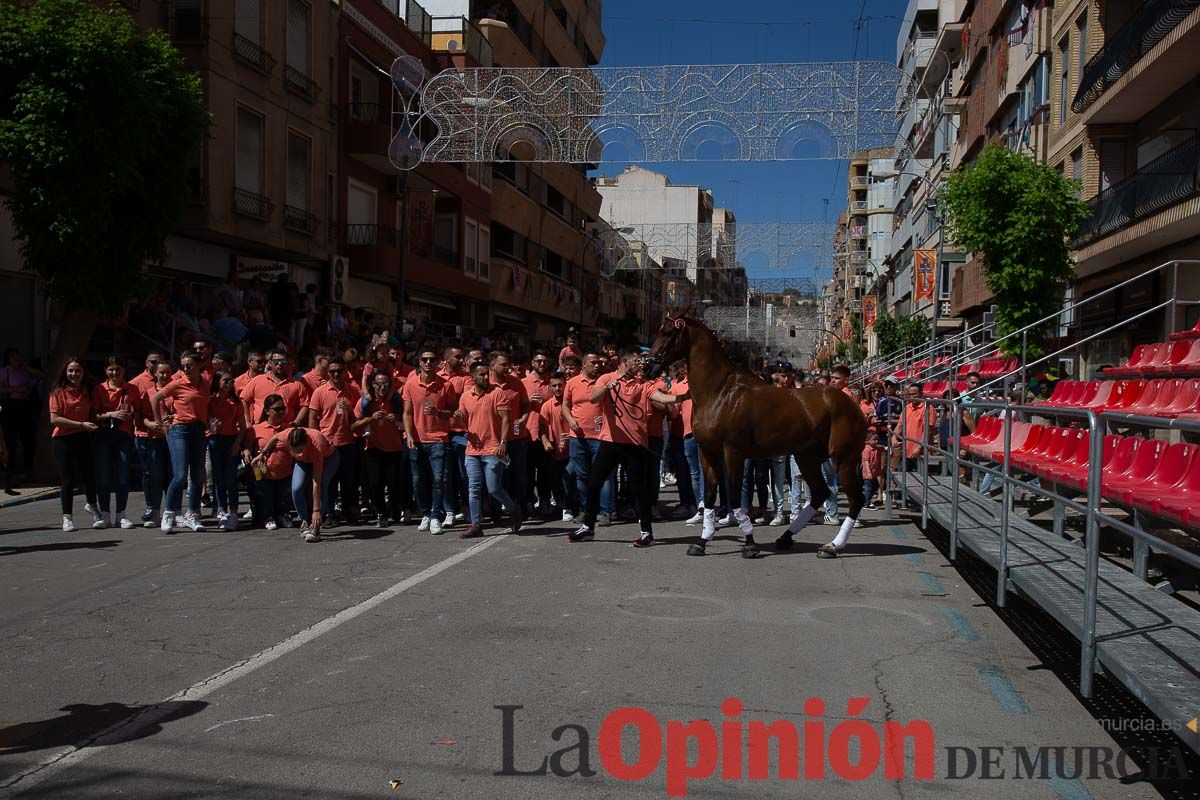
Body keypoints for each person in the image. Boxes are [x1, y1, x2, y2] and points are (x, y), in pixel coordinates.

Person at [568, 351, 687, 547]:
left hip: (635, 443)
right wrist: (608, 387)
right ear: (624, 362)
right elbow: (594, 399)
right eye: (636, 362)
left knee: (639, 490)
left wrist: (683, 397)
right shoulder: (607, 378)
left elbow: (660, 398)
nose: (640, 366)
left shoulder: (643, 384)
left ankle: (646, 532)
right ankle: (588, 527)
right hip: (610, 441)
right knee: (594, 483)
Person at [454, 361, 518, 538]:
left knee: (493, 489)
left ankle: (513, 509)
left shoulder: (497, 393)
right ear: (473, 376)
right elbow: (462, 422)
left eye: (486, 374)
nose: (484, 377)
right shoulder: (465, 397)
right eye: (480, 374)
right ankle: (475, 525)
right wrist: (458, 418)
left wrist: (503, 443)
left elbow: (506, 419)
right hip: (473, 450)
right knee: (473, 488)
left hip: (493, 449)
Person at [152, 350, 211, 532]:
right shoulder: (177, 383)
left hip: (199, 430)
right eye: (183, 365)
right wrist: (160, 423)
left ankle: (193, 514)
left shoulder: (205, 383)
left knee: (198, 475)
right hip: (180, 430)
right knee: (179, 475)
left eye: (189, 365)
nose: (185, 368)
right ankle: (169, 513)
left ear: (198, 365)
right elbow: (156, 398)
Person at [402, 348, 455, 534]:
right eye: (424, 359)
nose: (428, 362)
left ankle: (434, 516)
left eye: (432, 359)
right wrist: (409, 435)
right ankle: (424, 513)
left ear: (438, 362)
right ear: (419, 362)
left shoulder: (446, 385)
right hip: (416, 439)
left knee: (438, 479)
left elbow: (453, 411)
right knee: (417, 480)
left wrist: (438, 413)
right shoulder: (410, 384)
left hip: (438, 438)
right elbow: (407, 413)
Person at [307, 356, 362, 525]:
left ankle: (348, 511)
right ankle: (328, 513)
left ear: (345, 371)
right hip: (328, 444)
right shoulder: (320, 392)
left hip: (348, 443)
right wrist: (316, 441)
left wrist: (351, 410)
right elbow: (313, 418)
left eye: (339, 371)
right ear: (328, 372)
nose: (336, 374)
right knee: (328, 482)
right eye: (332, 371)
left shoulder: (353, 391)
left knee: (348, 481)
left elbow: (358, 417)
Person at [562, 352, 615, 526]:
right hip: (578, 437)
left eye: (599, 362)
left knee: (604, 475)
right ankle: (586, 510)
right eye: (593, 362)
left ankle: (606, 511)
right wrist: (570, 421)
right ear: (584, 365)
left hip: (601, 437)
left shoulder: (604, 381)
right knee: (582, 475)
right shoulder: (572, 382)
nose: (598, 365)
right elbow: (565, 406)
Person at [48, 356, 98, 531]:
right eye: (70, 370)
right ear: (65, 372)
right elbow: (55, 419)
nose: (74, 374)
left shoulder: (87, 390)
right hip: (62, 439)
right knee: (67, 479)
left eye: (78, 370)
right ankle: (67, 517)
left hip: (83, 437)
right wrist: (80, 424)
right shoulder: (58, 392)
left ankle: (92, 506)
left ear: (83, 372)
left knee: (89, 475)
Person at [91, 356, 140, 529]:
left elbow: (139, 412)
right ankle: (105, 514)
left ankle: (121, 514)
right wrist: (111, 414)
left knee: (123, 476)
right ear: (106, 371)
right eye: (111, 369)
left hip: (124, 435)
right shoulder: (99, 389)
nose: (114, 372)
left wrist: (131, 415)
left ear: (124, 370)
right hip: (103, 435)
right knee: (103, 477)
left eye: (118, 369)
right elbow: (93, 415)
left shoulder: (132, 389)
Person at [355, 372, 408, 527]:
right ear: (373, 385)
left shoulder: (397, 401)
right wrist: (371, 418)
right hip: (373, 448)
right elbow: (353, 426)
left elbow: (409, 422)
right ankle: (381, 513)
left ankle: (396, 510)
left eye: (385, 384)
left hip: (394, 448)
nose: (382, 387)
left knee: (394, 483)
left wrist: (397, 418)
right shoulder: (366, 403)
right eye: (379, 384)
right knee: (375, 483)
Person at [278, 427, 339, 542]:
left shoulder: (317, 446)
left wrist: (316, 511)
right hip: (304, 462)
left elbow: (316, 482)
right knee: (296, 488)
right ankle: (304, 521)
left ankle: (316, 527)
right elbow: (274, 438)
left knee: (322, 483)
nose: (298, 454)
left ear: (306, 443)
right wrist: (263, 453)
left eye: (300, 450)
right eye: (294, 450)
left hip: (328, 458)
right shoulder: (286, 435)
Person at [490, 352, 532, 517]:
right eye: (503, 365)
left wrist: (523, 418)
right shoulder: (486, 384)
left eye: (508, 364)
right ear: (493, 366)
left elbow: (526, 405)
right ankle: (496, 512)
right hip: (494, 440)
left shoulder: (516, 383)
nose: (507, 368)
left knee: (519, 477)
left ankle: (522, 509)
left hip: (516, 438)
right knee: (496, 478)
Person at [245, 394, 293, 530]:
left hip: (284, 472)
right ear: (267, 411)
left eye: (283, 409)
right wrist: (247, 452)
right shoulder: (256, 429)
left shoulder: (288, 428)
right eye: (277, 409)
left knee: (283, 496)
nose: (281, 412)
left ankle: (282, 515)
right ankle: (267, 517)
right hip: (261, 471)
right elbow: (247, 447)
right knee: (263, 495)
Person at [207, 370, 244, 531]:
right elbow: (205, 420)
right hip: (215, 440)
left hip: (230, 440)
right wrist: (211, 428)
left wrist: (237, 443)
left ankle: (234, 512)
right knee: (219, 479)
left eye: (231, 381)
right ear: (218, 382)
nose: (229, 384)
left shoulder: (235, 401)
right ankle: (221, 510)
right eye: (226, 381)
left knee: (231, 479)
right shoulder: (211, 400)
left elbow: (242, 426)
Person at [139, 361, 175, 526]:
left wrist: (173, 418)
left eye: (168, 372)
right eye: (161, 373)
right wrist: (151, 424)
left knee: (173, 476)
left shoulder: (177, 391)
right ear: (155, 374)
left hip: (174, 438)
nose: (165, 376)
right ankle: (154, 512)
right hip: (154, 438)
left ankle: (173, 511)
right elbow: (141, 417)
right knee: (156, 476)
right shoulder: (148, 393)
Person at [538, 372, 576, 521]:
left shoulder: (573, 402)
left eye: (560, 385)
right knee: (559, 479)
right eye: (554, 385)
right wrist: (546, 441)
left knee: (574, 477)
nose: (558, 388)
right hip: (557, 449)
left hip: (575, 446)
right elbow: (541, 427)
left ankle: (573, 505)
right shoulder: (547, 405)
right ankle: (564, 505)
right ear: (550, 387)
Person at [240, 349, 310, 429]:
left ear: (287, 364)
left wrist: (296, 422)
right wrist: (247, 421)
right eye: (276, 361)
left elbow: (305, 405)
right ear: (270, 363)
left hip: (285, 430)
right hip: (259, 429)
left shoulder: (297, 385)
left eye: (283, 361)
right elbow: (244, 399)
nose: (279, 364)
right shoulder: (257, 380)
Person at [523, 350, 554, 517]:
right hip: (527, 433)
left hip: (545, 435)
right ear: (532, 362)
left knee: (545, 472)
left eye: (545, 361)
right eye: (538, 361)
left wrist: (546, 402)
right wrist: (528, 401)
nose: (542, 364)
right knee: (526, 472)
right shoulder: (523, 382)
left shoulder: (552, 383)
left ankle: (544, 500)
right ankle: (528, 500)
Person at [0, 347, 37, 480]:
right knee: (10, 439)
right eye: (14, 357)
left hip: (25, 406)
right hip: (11, 405)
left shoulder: (23, 372)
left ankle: (28, 468)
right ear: (9, 358)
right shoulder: (5, 371)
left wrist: (26, 368)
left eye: (19, 356)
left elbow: (40, 377)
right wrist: (14, 389)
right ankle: (9, 468)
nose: (18, 359)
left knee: (27, 438)